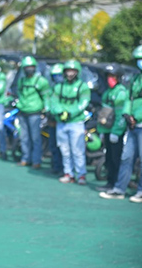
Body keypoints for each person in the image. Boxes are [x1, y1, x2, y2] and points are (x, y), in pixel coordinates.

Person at [100, 45, 142, 203]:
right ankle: (119, 189)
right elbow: (129, 101)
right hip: (133, 126)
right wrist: (127, 114)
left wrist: (137, 116)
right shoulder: (135, 80)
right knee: (126, 158)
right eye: (138, 60)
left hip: (140, 124)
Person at [50, 59, 91, 185]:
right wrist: (60, 112)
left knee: (77, 150)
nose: (70, 73)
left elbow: (83, 103)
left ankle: (81, 174)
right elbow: (54, 103)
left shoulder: (82, 87)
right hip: (61, 123)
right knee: (64, 150)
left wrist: (69, 112)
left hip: (76, 122)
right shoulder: (59, 87)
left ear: (77, 72)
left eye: (72, 70)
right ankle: (68, 173)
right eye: (68, 70)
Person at [95, 63, 128, 192]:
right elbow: (104, 112)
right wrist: (102, 131)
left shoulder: (121, 93)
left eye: (113, 76)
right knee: (109, 158)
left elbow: (120, 115)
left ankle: (116, 184)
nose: (110, 79)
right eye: (109, 76)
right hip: (107, 130)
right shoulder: (107, 92)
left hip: (116, 132)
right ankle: (110, 182)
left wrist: (116, 132)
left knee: (116, 159)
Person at [15, 56, 51, 169]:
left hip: (35, 113)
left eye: (31, 67)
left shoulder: (41, 81)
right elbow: (20, 94)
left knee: (35, 138)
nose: (28, 69)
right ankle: (25, 158)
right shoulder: (21, 81)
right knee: (24, 137)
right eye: (26, 67)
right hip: (22, 111)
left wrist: (46, 109)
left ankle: (36, 160)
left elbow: (46, 96)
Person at [48, 63, 64, 175]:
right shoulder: (52, 89)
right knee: (53, 144)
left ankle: (64, 168)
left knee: (63, 146)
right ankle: (56, 165)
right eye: (54, 76)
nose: (57, 78)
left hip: (63, 121)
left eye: (59, 75)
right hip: (53, 121)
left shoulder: (66, 88)